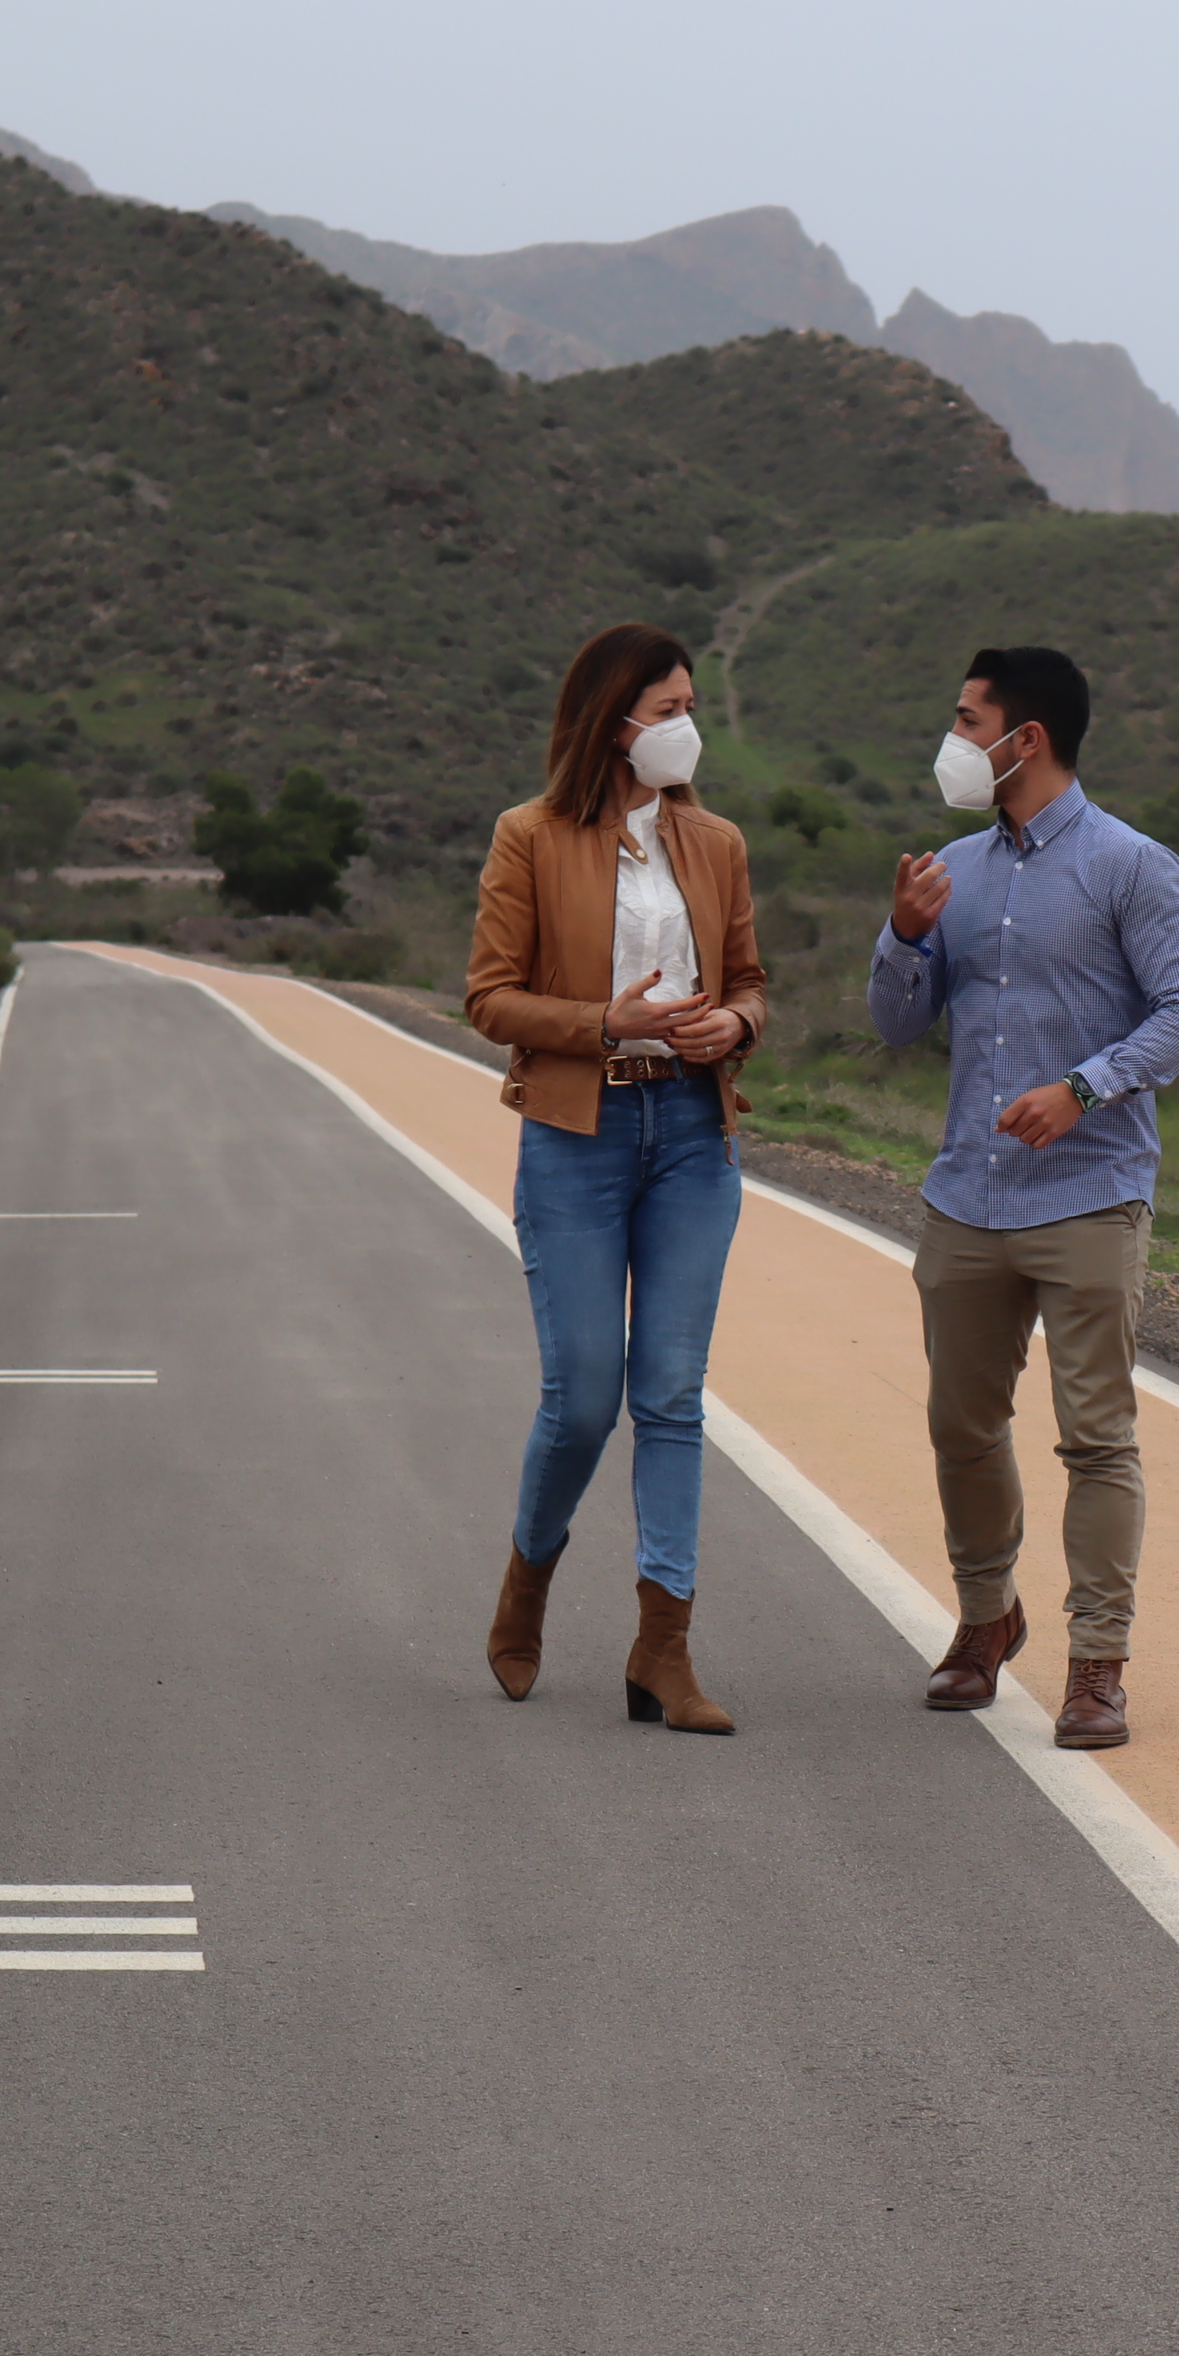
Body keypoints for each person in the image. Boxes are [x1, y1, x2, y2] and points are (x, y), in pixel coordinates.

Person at [867, 646, 1179, 1749]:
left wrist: (1084, 1087)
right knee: (960, 1427)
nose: (954, 739)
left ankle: (1098, 1665)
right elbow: (894, 1025)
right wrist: (907, 935)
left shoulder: (1133, 865)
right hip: (967, 1195)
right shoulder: (954, 868)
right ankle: (986, 1621)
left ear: (1028, 739)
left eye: (969, 720)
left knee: (1097, 1437)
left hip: (1090, 1193)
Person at [465, 622, 767, 1732]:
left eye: (691, 706)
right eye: (669, 708)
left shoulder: (718, 843)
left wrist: (730, 1021)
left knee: (673, 1394)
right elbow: (490, 997)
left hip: (693, 1130)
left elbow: (749, 983)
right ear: (614, 721)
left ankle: (663, 1651)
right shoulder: (528, 837)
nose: (686, 727)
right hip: (577, 1136)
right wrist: (608, 1022)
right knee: (584, 1394)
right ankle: (530, 1574)